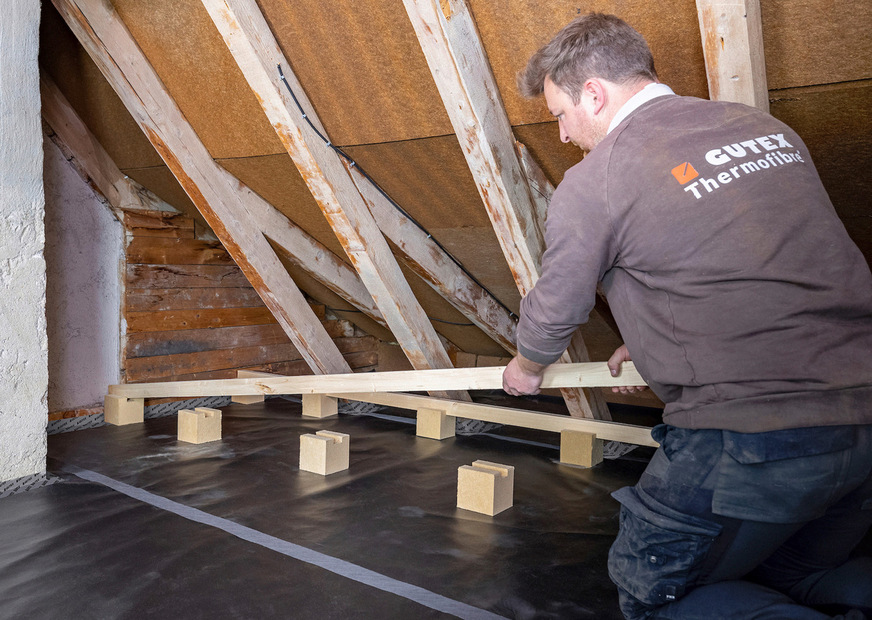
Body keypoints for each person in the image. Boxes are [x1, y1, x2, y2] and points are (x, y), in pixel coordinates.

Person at [502, 12, 872, 619]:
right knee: (800, 571)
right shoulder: (764, 128)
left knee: (655, 595)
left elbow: (557, 306)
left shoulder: (597, 178)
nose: (564, 136)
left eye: (561, 116)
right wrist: (652, 341)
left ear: (593, 93)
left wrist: (526, 366)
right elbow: (750, 263)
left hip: (754, 437)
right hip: (863, 420)